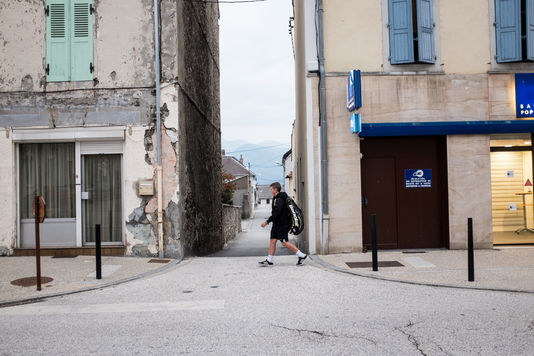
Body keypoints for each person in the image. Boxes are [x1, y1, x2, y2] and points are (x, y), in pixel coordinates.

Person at [259, 182, 307, 266]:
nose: (270, 191)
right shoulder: (276, 198)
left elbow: (276, 214)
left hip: (283, 224)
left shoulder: (280, 199)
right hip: (277, 224)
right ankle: (269, 260)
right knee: (273, 240)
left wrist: (267, 222)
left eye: (271, 189)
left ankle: (302, 255)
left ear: (275, 189)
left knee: (284, 242)